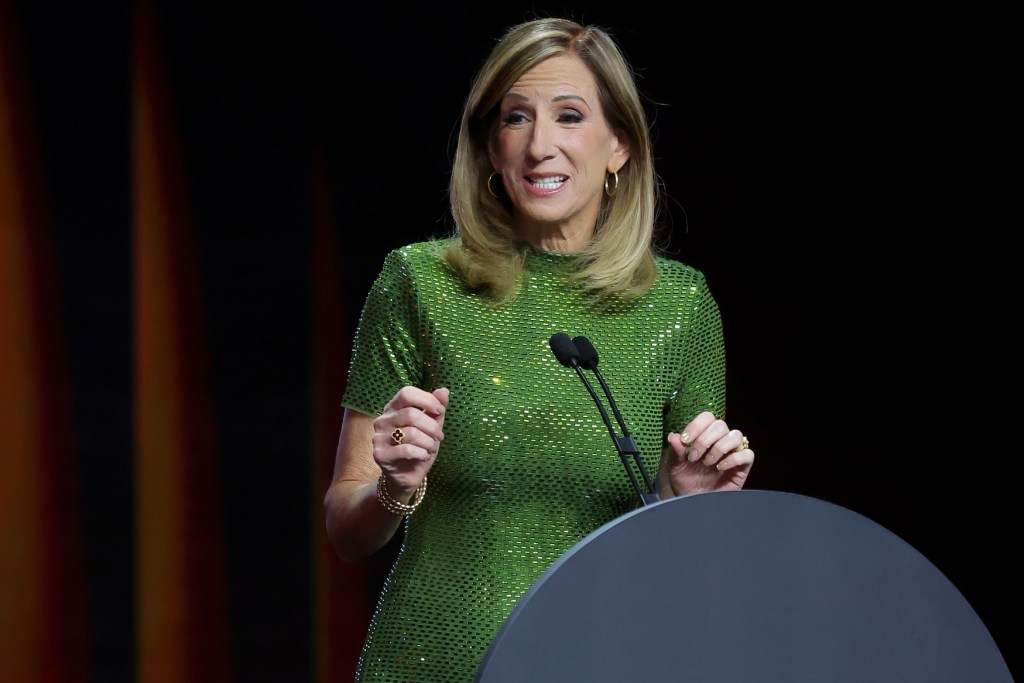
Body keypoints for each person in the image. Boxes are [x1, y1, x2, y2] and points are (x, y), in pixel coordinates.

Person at [324, 16, 755, 682]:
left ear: (620, 145)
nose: (539, 146)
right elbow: (345, 532)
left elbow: (691, 568)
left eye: (570, 116)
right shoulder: (418, 282)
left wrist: (683, 503)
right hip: (432, 662)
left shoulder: (682, 306)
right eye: (515, 118)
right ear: (491, 147)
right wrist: (393, 486)